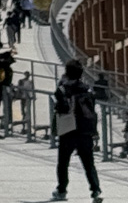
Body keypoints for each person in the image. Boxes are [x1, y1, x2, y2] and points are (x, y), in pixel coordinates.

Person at [52, 59, 103, 201]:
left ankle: (62, 190)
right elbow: (92, 108)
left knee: (63, 162)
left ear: (67, 73)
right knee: (88, 163)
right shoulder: (87, 89)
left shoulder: (62, 89)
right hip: (85, 130)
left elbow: (61, 107)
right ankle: (95, 190)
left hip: (68, 129)